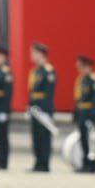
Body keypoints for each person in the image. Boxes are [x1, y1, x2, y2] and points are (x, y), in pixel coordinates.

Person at [26, 42, 55, 172]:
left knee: (44, 136)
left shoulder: (48, 71)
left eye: (34, 53)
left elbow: (49, 93)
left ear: (41, 54)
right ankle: (38, 162)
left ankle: (44, 163)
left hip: (43, 108)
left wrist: (45, 111)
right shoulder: (36, 71)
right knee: (36, 135)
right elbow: (32, 91)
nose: (32, 56)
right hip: (35, 108)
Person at [73, 55, 95, 172]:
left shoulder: (93, 80)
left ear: (88, 67)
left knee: (91, 141)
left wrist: (93, 116)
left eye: (82, 67)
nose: (80, 69)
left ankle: (92, 165)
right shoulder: (81, 79)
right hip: (82, 113)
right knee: (84, 140)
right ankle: (85, 163)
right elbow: (78, 98)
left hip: (89, 113)